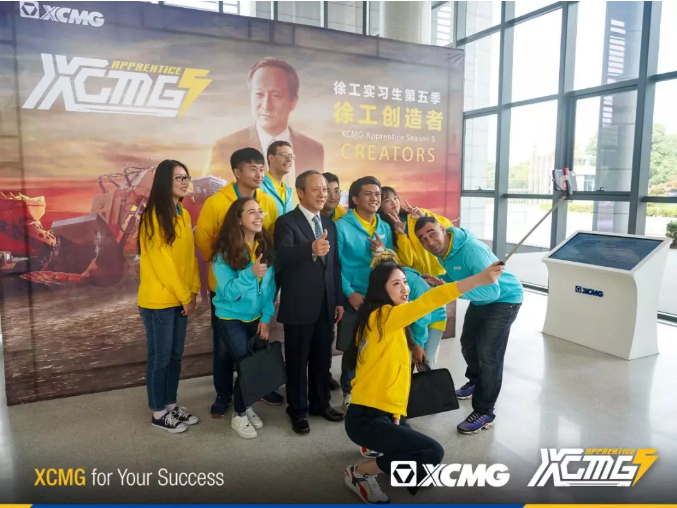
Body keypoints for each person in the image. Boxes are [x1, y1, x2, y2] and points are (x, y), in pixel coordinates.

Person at [343, 260, 504, 503]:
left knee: (422, 472)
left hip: (384, 412)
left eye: (405, 282)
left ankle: (377, 446)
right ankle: (359, 473)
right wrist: (478, 280)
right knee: (431, 453)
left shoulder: (383, 318)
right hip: (365, 419)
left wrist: (396, 415)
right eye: (396, 284)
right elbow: (430, 300)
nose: (404, 289)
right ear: (380, 289)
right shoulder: (382, 317)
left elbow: (395, 376)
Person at [414, 216, 524, 435]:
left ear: (443, 229)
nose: (429, 242)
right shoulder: (444, 251)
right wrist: (442, 280)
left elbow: (492, 291)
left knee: (488, 354)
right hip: (481, 299)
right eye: (423, 239)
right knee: (468, 344)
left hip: (504, 300)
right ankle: (476, 381)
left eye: (432, 233)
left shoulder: (471, 250)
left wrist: (451, 289)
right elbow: (462, 276)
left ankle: (484, 412)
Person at [195, 148, 283, 416]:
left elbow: (269, 237)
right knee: (224, 349)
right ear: (237, 172)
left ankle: (259, 386)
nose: (259, 174)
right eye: (253, 168)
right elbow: (204, 240)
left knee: (257, 345)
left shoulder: (267, 202)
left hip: (258, 288)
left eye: (262, 169)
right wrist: (229, 265)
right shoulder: (216, 203)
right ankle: (223, 394)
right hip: (227, 290)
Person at [274, 170, 345, 434]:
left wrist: (338, 299)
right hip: (299, 305)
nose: (322, 194)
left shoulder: (329, 224)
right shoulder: (286, 222)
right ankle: (298, 411)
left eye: (324, 189)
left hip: (326, 304)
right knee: (297, 361)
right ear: (301, 192)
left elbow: (334, 265)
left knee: (322, 359)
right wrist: (310, 249)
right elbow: (283, 254)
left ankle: (320, 404)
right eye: (316, 189)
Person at [138, 159, 200, 434]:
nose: (185, 182)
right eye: (179, 178)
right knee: (160, 357)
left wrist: (193, 290)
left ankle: (171, 405)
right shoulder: (153, 216)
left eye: (187, 177)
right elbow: (162, 262)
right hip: (159, 301)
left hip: (180, 299)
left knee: (175, 356)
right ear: (165, 181)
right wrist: (184, 294)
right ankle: (158, 412)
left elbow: (189, 257)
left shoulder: (183, 214)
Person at [336, 176, 404, 412]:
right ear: (355, 199)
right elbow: (334, 265)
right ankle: (349, 390)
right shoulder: (341, 226)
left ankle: (373, 386)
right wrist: (349, 293)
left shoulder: (383, 226)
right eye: (368, 194)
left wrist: (383, 251)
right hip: (354, 295)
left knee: (376, 344)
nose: (375, 198)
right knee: (352, 345)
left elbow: (391, 262)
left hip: (380, 297)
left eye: (377, 194)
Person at [211, 197, 277, 439]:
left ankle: (245, 406)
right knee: (246, 364)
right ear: (238, 219)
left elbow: (270, 288)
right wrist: (250, 274)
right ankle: (239, 414)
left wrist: (266, 318)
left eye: (260, 211)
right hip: (230, 318)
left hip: (256, 317)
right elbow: (228, 293)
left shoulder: (264, 247)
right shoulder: (223, 253)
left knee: (254, 364)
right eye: (251, 212)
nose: (259, 216)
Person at [207, 57, 324, 183]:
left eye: (275, 95)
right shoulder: (224, 148)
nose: (266, 105)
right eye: (259, 94)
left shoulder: (313, 150)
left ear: (293, 101)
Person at [378, 185, 453, 276]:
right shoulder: (386, 230)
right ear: (380, 206)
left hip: (442, 274)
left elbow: (448, 227)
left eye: (395, 198)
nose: (394, 203)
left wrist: (424, 217)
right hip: (418, 279)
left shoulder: (416, 214)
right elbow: (407, 262)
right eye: (387, 201)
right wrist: (401, 235)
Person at [320, 171, 346, 392]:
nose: (332, 195)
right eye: (327, 190)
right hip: (312, 285)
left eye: (336, 190)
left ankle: (324, 372)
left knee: (328, 333)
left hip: (335, 280)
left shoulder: (342, 217)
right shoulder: (310, 217)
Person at [261, 140, 295, 216]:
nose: (289, 160)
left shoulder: (288, 191)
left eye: (291, 156)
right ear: (271, 158)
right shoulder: (259, 187)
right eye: (284, 155)